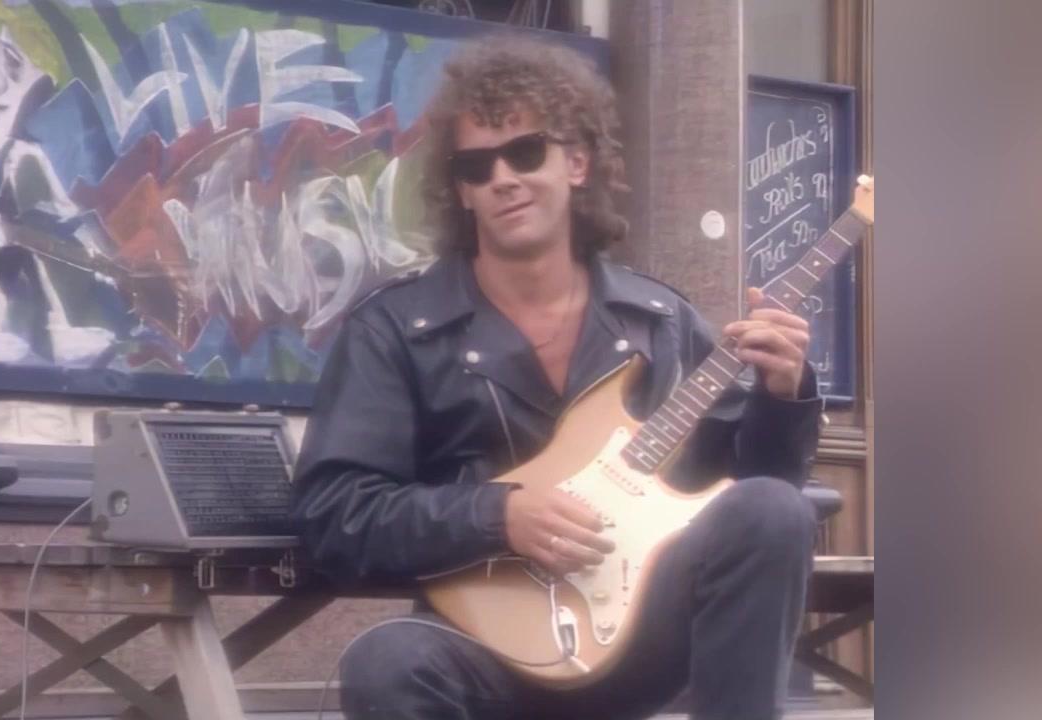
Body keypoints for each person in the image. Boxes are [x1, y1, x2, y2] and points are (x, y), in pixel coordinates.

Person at [288, 35, 824, 720]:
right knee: (385, 662)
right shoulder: (393, 330)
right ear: (462, 192)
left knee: (776, 510)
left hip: (640, 640)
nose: (503, 178)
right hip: (484, 648)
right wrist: (497, 515)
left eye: (525, 152)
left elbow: (758, 500)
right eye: (477, 165)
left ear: (576, 162)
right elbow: (337, 514)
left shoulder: (660, 321)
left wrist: (782, 398)